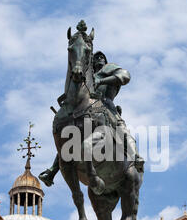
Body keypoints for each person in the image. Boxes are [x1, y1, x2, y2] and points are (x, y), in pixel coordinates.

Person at [39, 51, 144, 187]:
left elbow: (125, 76)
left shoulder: (110, 70)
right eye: (96, 58)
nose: (99, 59)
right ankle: (53, 170)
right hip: (88, 109)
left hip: (106, 106)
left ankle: (135, 156)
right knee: (71, 133)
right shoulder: (88, 78)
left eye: (101, 57)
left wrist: (101, 80)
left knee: (121, 128)